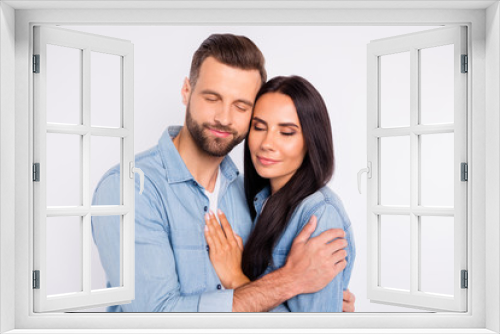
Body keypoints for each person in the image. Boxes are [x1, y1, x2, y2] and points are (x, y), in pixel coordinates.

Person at [92, 33, 355, 312]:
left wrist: (323, 309)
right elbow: (156, 318)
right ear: (186, 91)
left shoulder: (254, 198)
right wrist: (290, 281)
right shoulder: (130, 189)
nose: (225, 118)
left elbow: (285, 307)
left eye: (241, 106)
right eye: (212, 98)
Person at [204, 75, 355, 312]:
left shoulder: (319, 214)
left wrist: (236, 279)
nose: (267, 143)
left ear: (311, 140)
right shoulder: (259, 200)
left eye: (286, 132)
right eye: (259, 127)